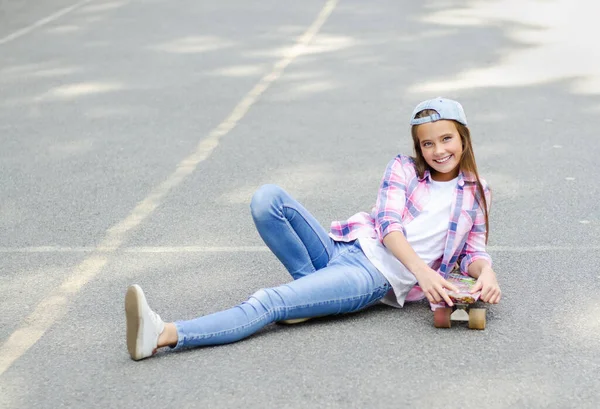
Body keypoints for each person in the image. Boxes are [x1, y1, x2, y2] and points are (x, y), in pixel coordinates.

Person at [124, 97, 502, 361]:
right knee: (268, 199)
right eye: (428, 143)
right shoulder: (404, 168)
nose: (438, 150)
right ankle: (309, 296)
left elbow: (473, 252)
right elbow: (388, 225)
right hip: (347, 247)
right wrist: (423, 270)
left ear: (464, 137)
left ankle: (164, 334)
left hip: (370, 275)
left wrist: (486, 272)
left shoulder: (476, 193)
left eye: (446, 139)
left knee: (270, 302)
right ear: (418, 147)